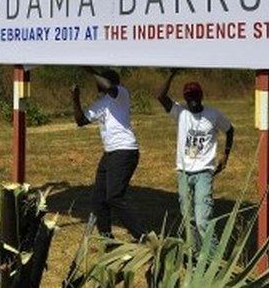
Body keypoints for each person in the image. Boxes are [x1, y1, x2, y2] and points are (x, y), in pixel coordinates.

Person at [156, 69, 234, 252]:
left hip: (203, 173)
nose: (192, 101)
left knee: (202, 221)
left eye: (195, 96)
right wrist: (171, 74)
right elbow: (160, 96)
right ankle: (196, 254)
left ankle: (213, 262)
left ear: (201, 96)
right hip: (183, 172)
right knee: (188, 219)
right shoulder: (180, 112)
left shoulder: (214, 115)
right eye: (189, 97)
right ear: (185, 98)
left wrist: (226, 155)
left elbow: (230, 130)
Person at [71, 67, 144, 240]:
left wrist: (90, 70)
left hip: (125, 151)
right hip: (110, 153)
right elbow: (80, 120)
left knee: (114, 197)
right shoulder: (101, 103)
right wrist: (75, 98)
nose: (97, 84)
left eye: (100, 81)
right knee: (98, 199)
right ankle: (107, 239)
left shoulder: (121, 95)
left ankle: (142, 236)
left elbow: (110, 87)